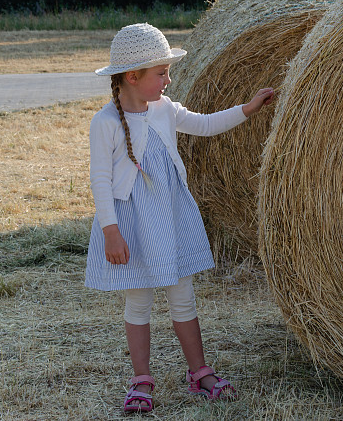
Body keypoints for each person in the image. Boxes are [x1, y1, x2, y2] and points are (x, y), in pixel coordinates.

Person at [85, 22, 274, 413]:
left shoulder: (165, 110)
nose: (168, 80)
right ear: (133, 77)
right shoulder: (104, 123)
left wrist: (247, 109)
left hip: (170, 219)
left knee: (183, 300)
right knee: (138, 303)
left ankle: (200, 372)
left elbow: (204, 124)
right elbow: (100, 181)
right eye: (161, 73)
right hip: (133, 225)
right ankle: (141, 379)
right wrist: (111, 232)